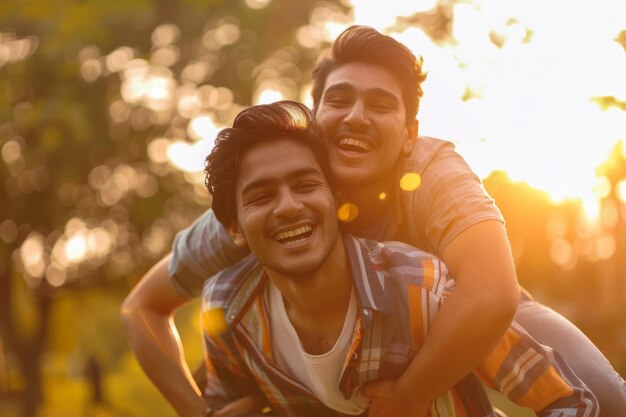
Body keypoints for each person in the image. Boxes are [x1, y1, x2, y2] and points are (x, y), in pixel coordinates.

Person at [121, 25, 626, 417]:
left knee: (605, 398)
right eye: (339, 99)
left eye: (380, 105)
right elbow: (142, 308)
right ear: (313, 118)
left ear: (409, 134)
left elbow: (490, 293)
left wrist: (409, 397)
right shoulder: (267, 204)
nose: (357, 116)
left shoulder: (430, 172)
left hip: (458, 300)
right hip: (313, 331)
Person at [197, 99, 597, 417]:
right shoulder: (227, 308)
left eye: (305, 185)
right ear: (234, 227)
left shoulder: (423, 292)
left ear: (336, 199)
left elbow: (568, 401)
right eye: (262, 196)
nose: (288, 207)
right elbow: (227, 403)